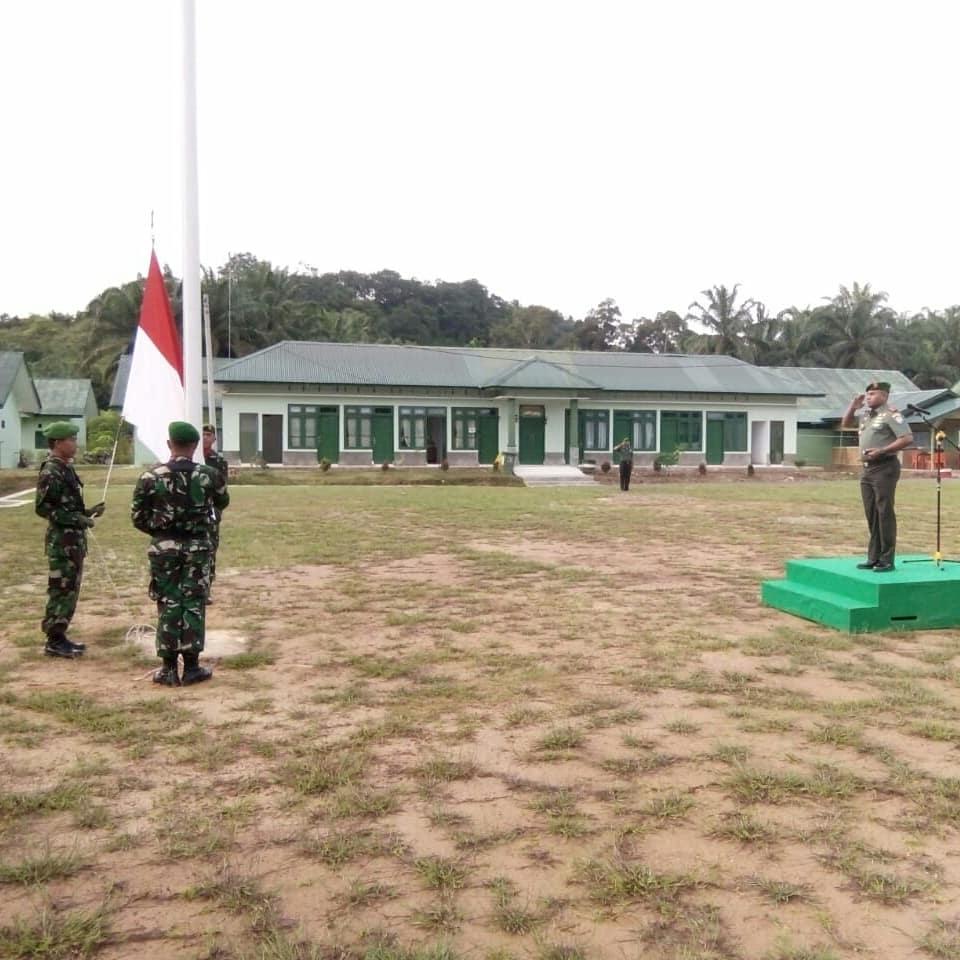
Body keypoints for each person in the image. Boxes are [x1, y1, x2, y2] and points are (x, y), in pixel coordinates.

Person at [131, 421, 229, 686]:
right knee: (194, 604)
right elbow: (222, 503)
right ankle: (193, 666)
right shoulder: (209, 475)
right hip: (198, 548)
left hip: (165, 550)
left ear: (168, 444)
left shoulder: (151, 477)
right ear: (195, 446)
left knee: (168, 602)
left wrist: (162, 532)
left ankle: (168, 668)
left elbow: (138, 517)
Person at [35, 421, 105, 658]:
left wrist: (87, 513)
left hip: (73, 541)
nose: (75, 444)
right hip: (62, 542)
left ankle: (60, 635)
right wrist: (77, 520)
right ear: (57, 443)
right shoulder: (51, 471)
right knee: (61, 588)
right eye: (71, 440)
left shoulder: (65, 468)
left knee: (70, 589)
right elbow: (44, 508)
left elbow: (68, 506)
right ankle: (54, 639)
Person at [841, 381, 913, 572]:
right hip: (867, 469)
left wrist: (882, 450)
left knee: (884, 512)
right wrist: (852, 407)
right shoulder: (866, 415)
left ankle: (887, 559)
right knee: (871, 513)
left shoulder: (891, 414)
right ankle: (873, 557)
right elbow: (845, 424)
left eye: (873, 394)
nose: (868, 397)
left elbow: (906, 438)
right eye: (868, 394)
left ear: (884, 396)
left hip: (884, 467)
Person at [202, 423, 229, 601]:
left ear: (214, 438)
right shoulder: (192, 458)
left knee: (210, 549)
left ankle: (206, 588)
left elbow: (222, 491)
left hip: (210, 511)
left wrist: (216, 511)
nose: (205, 437)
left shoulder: (218, 462)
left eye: (208, 435)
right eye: (202, 434)